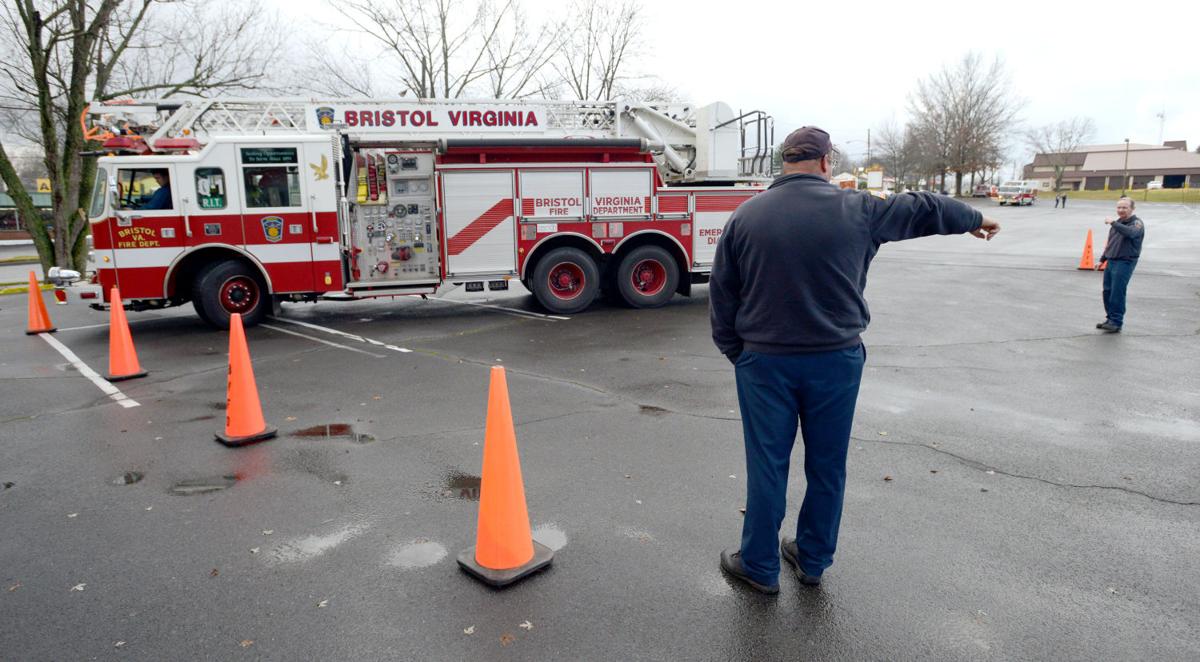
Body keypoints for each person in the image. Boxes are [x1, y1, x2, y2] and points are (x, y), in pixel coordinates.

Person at [709, 126, 1001, 594]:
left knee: (768, 465)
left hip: (765, 362)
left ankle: (760, 566)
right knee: (828, 464)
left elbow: (723, 295)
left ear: (784, 162)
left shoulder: (746, 217)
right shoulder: (858, 208)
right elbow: (924, 207)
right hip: (836, 360)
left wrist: (737, 352)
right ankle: (812, 558)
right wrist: (973, 218)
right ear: (827, 162)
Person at [1096, 197, 1144, 333]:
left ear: (1132, 209)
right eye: (1119, 207)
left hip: (1125, 261)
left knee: (1117, 292)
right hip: (1111, 260)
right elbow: (1111, 243)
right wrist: (1102, 259)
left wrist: (1113, 223)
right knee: (1107, 291)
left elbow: (1132, 233)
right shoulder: (1118, 223)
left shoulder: (1136, 223)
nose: (1121, 210)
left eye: (1124, 207)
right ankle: (1110, 318)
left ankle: (1116, 321)